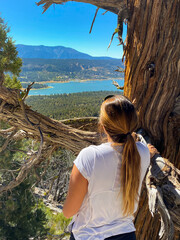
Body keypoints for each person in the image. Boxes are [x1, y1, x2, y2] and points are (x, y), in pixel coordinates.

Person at [63, 95, 156, 240]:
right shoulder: (142, 152)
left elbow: (69, 212)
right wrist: (150, 152)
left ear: (103, 126)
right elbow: (141, 150)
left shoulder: (90, 157)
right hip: (126, 234)